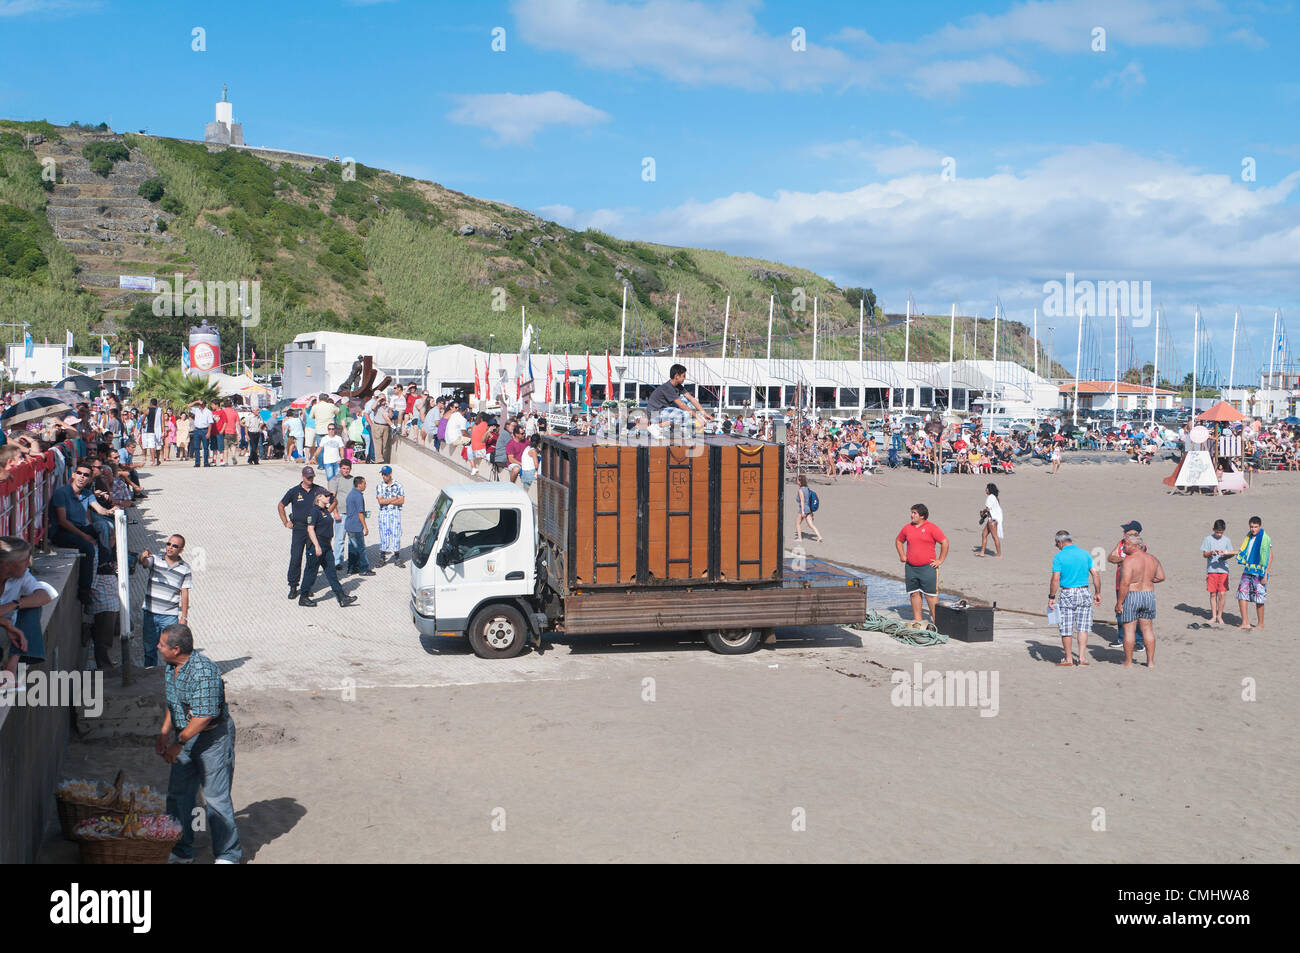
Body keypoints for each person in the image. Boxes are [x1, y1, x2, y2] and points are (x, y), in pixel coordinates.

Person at [156, 623, 242, 864]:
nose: (157, 647)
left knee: (215, 798)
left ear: (175, 649)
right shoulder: (171, 666)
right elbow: (173, 702)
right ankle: (181, 850)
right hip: (185, 734)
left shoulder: (204, 672)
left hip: (212, 738)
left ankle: (227, 855)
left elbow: (204, 716)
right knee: (178, 795)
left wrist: (178, 743)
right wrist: (165, 731)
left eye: (161, 644)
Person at [50, 463, 113, 601]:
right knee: (88, 548)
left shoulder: (87, 493)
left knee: (104, 525)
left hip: (80, 528)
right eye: (79, 473)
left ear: (90, 479)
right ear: (73, 475)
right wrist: (85, 536)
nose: (82, 477)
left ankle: (104, 563)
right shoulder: (62, 493)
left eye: (86, 475)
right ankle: (84, 592)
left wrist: (111, 511)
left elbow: (100, 510)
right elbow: (62, 521)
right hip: (62, 532)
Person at [0, 537, 58, 689]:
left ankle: (12, 666)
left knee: (32, 606)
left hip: (7, 628)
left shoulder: (22, 575)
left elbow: (44, 595)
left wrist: (13, 604)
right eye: (25, 560)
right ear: (7, 565)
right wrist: (6, 624)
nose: (29, 563)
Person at [279, 466, 335, 600]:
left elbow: (333, 500)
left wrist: (325, 514)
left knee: (312, 559)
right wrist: (285, 522)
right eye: (308, 477)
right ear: (303, 477)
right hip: (299, 528)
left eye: (312, 477)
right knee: (296, 557)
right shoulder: (294, 491)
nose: (310, 479)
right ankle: (293, 586)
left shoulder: (319, 490)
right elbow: (281, 505)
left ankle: (307, 587)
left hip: (314, 530)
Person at [1047, 529, 1101, 666]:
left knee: (1066, 627)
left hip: (1068, 592)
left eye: (1056, 544)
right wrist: (1097, 592)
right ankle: (1082, 658)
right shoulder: (1084, 554)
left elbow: (1055, 578)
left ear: (1060, 542)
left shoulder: (1059, 557)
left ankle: (1069, 658)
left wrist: (1051, 596)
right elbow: (1095, 574)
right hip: (1084, 591)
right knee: (1083, 627)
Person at [137, 535, 192, 668]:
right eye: (168, 544)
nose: (170, 548)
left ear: (181, 550)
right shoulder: (155, 560)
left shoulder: (185, 568)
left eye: (174, 546)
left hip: (170, 616)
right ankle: (149, 676)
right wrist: (143, 556)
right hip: (150, 613)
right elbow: (144, 562)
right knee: (149, 650)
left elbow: (184, 593)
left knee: (173, 650)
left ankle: (172, 677)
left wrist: (184, 617)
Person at [1116, 536, 1165, 667]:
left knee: (1129, 630)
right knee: (1148, 630)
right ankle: (1150, 662)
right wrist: (1148, 581)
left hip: (1132, 595)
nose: (1123, 547)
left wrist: (1119, 602)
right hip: (1148, 595)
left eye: (1126, 544)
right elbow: (1161, 577)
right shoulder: (1152, 559)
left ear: (1135, 546)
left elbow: (1125, 583)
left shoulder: (1129, 561)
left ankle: (1128, 661)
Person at [301, 491, 356, 607]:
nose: (328, 497)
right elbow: (310, 529)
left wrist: (333, 497)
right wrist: (316, 546)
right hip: (317, 545)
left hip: (326, 545)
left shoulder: (325, 511)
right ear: (319, 498)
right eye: (326, 496)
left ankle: (341, 597)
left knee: (331, 573)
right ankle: (303, 597)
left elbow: (334, 503)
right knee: (311, 572)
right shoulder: (314, 511)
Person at [895, 503, 948, 622]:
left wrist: (940, 560)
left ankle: (937, 622)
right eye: (912, 512)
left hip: (928, 568)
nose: (911, 515)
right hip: (911, 567)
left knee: (930, 595)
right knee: (914, 593)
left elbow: (944, 542)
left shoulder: (932, 528)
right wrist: (902, 555)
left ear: (922, 516)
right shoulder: (907, 528)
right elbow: (899, 541)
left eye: (914, 513)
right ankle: (917, 619)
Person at [1106, 520, 1146, 651]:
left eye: (1126, 531)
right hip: (1120, 583)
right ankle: (1121, 638)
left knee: (1136, 613)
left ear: (1135, 533)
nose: (1124, 533)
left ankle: (1139, 641)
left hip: (1134, 585)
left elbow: (1140, 559)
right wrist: (1124, 560)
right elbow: (1110, 557)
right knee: (1120, 611)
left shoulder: (1140, 545)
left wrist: (1124, 561)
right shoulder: (1121, 543)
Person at [647, 363, 712, 437]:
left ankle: (670, 429)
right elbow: (681, 405)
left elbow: (691, 399)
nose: (685, 378)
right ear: (676, 376)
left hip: (663, 411)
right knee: (684, 414)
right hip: (654, 414)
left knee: (686, 400)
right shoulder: (668, 387)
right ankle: (656, 427)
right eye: (683, 376)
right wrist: (698, 417)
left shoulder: (678, 386)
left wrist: (704, 413)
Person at [1235, 515, 1270, 630]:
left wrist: (1265, 574)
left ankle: (1260, 624)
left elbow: (1270, 556)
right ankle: (1245, 622)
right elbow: (1243, 552)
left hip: (1259, 572)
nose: (1253, 529)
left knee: (1259, 598)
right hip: (1247, 570)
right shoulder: (1248, 537)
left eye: (1255, 527)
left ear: (1260, 526)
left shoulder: (1265, 538)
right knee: (1241, 595)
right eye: (1251, 527)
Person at [1201, 519, 1233, 627]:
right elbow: (1204, 554)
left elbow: (1231, 553)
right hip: (1212, 570)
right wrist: (1211, 552)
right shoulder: (1207, 539)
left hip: (1223, 570)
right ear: (1213, 529)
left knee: (1222, 593)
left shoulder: (1227, 540)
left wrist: (1225, 555)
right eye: (1217, 532)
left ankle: (1220, 615)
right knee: (1213, 593)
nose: (1219, 534)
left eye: (1221, 532)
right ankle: (1214, 616)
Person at [326, 458, 353, 573]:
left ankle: (353, 561)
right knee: (339, 539)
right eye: (344, 468)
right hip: (341, 513)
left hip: (352, 513)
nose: (346, 471)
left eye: (348, 469)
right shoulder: (335, 479)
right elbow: (332, 498)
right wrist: (335, 513)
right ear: (340, 468)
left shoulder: (353, 480)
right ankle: (338, 561)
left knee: (352, 539)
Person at [375, 465, 405, 565]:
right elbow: (380, 501)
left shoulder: (398, 485)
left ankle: (397, 556)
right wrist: (393, 499)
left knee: (396, 533)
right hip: (384, 513)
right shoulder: (379, 486)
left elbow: (402, 500)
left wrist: (387, 501)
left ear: (390, 474)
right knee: (384, 533)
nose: (384, 476)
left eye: (386, 474)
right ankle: (382, 557)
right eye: (382, 474)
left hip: (395, 513)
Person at [344, 476, 373, 576]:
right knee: (361, 548)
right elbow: (360, 513)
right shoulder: (358, 496)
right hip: (356, 526)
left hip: (349, 525)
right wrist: (365, 526)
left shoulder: (351, 494)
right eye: (364, 483)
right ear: (359, 484)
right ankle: (364, 568)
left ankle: (351, 568)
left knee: (352, 548)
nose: (365, 485)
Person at [793, 473, 823, 543]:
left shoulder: (800, 490)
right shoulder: (807, 489)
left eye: (797, 480)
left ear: (800, 482)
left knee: (798, 523)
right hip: (809, 509)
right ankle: (819, 536)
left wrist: (803, 511)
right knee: (811, 525)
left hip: (803, 509)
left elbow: (802, 501)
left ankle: (800, 538)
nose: (797, 481)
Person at [977, 483, 1003, 558]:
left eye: (987, 489)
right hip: (992, 519)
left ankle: (999, 554)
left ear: (990, 490)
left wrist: (983, 512)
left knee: (995, 537)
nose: (985, 490)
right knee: (984, 534)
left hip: (992, 521)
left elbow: (988, 509)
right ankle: (982, 552)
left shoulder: (990, 497)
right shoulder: (995, 498)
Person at [189, 399, 214, 468]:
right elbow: (189, 406)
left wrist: (209, 432)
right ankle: (197, 463)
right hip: (197, 430)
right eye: (198, 404)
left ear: (203, 404)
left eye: (200, 404)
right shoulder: (197, 410)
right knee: (196, 447)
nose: (198, 405)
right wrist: (197, 401)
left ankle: (206, 463)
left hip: (205, 430)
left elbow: (210, 423)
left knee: (205, 447)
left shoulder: (208, 412)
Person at [369, 395, 393, 463]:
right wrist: (378, 399)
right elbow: (372, 407)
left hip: (385, 426)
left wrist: (390, 410)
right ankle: (379, 460)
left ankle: (384, 459)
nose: (383, 400)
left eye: (384, 399)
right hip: (377, 426)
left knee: (385, 444)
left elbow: (390, 416)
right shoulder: (377, 406)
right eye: (381, 399)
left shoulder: (388, 407)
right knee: (377, 444)